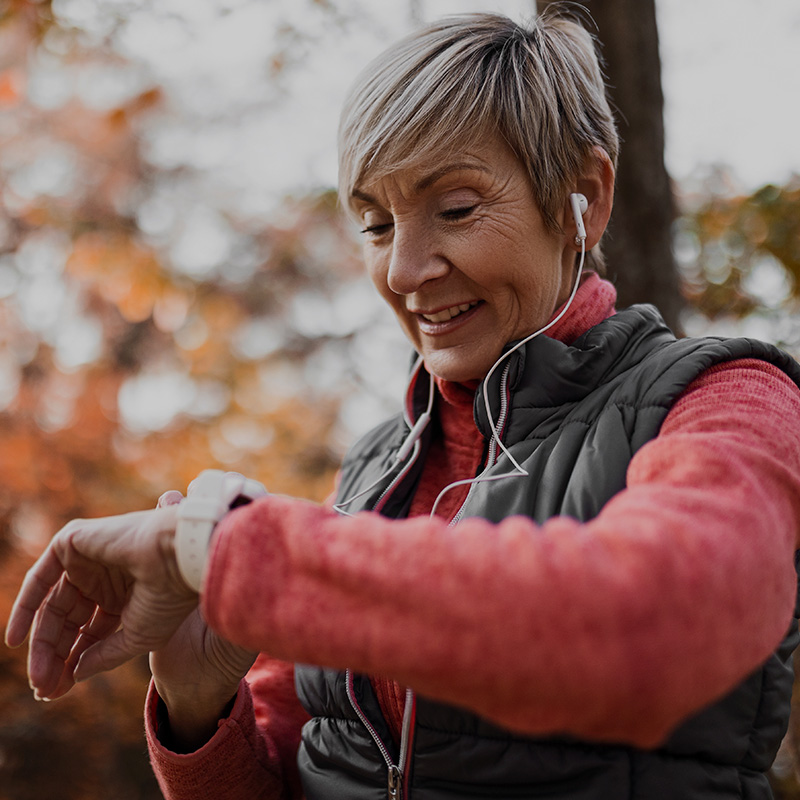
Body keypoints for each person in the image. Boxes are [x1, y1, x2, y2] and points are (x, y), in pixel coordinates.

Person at [6, 10, 800, 800]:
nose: (405, 270)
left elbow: (655, 625)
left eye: (455, 209)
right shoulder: (373, 469)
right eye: (377, 224)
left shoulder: (726, 399)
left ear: (581, 198)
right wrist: (197, 700)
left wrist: (221, 550)